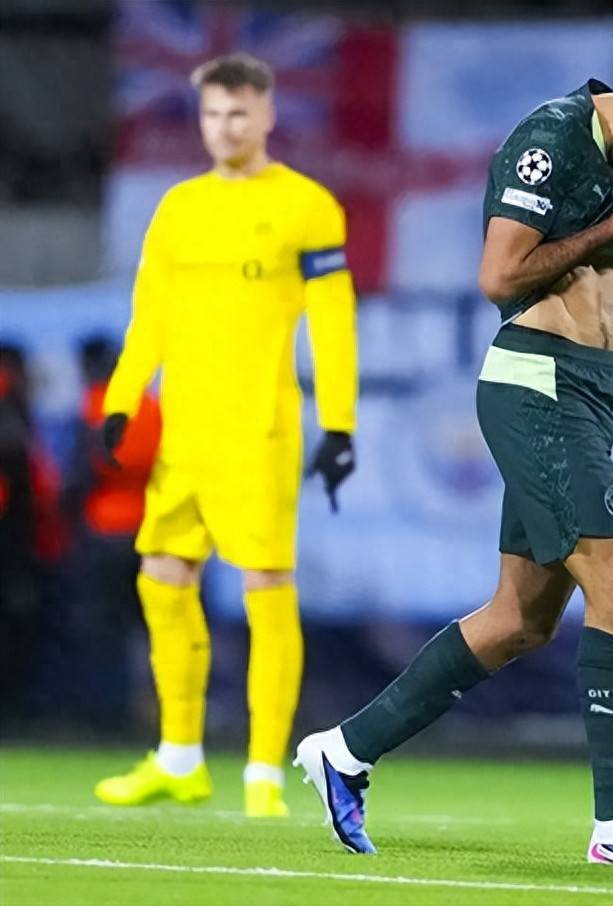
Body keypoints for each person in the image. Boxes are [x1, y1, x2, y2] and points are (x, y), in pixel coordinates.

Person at [294, 74, 613, 867]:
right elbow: (498, 278)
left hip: (587, 389)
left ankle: (345, 752)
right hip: (537, 384)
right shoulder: (551, 141)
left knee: (519, 620)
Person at [93, 52, 359, 819]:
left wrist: (338, 423)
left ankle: (263, 773)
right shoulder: (179, 207)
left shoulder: (308, 206)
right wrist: (121, 400)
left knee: (266, 589)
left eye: (239, 112)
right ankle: (179, 758)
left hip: (258, 433)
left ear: (267, 115)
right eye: (212, 113)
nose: (225, 127)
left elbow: (332, 323)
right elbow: (150, 316)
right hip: (185, 436)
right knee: (161, 577)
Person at [63, 336, 161, 729]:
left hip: (104, 530)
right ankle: (154, 713)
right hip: (151, 530)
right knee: (150, 628)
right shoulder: (151, 406)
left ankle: (105, 714)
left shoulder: (96, 404)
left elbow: (82, 469)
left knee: (101, 627)